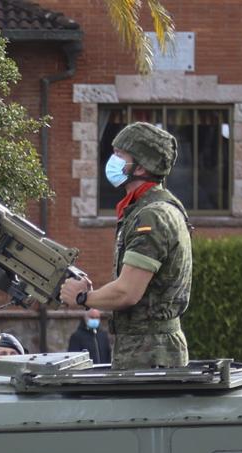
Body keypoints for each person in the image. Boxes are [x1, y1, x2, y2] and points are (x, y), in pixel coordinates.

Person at [58, 121, 192, 370]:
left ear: (140, 167)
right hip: (147, 348)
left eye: (120, 155)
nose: (113, 160)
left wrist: (83, 297)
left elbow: (127, 292)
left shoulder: (152, 216)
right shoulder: (150, 209)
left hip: (150, 353)